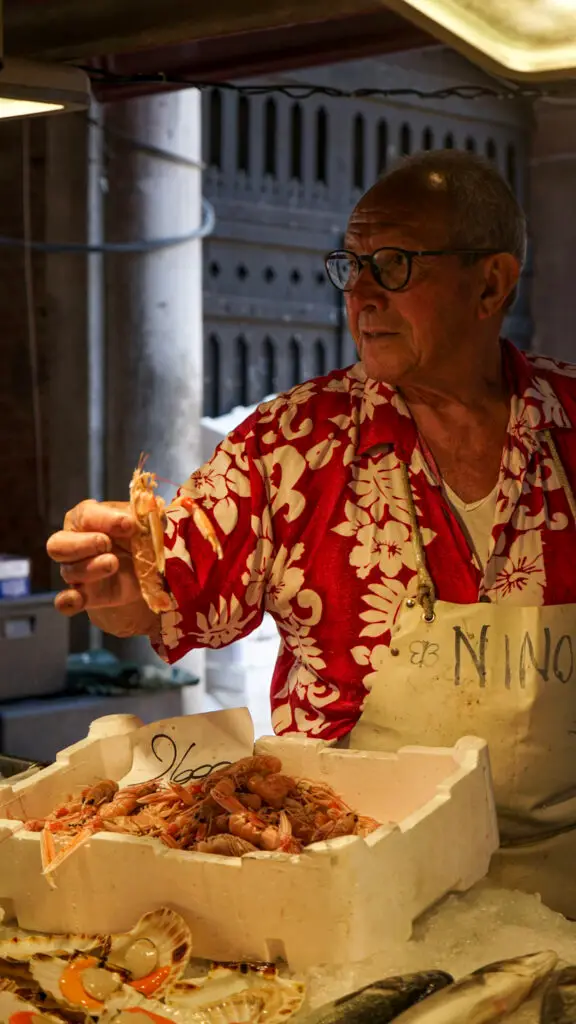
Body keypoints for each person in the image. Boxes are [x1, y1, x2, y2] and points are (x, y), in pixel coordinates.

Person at [47, 149, 576, 916]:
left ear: (490, 283)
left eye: (392, 265)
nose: (360, 296)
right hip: (358, 873)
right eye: (350, 265)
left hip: (562, 871)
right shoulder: (290, 442)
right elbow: (167, 589)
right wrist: (119, 579)